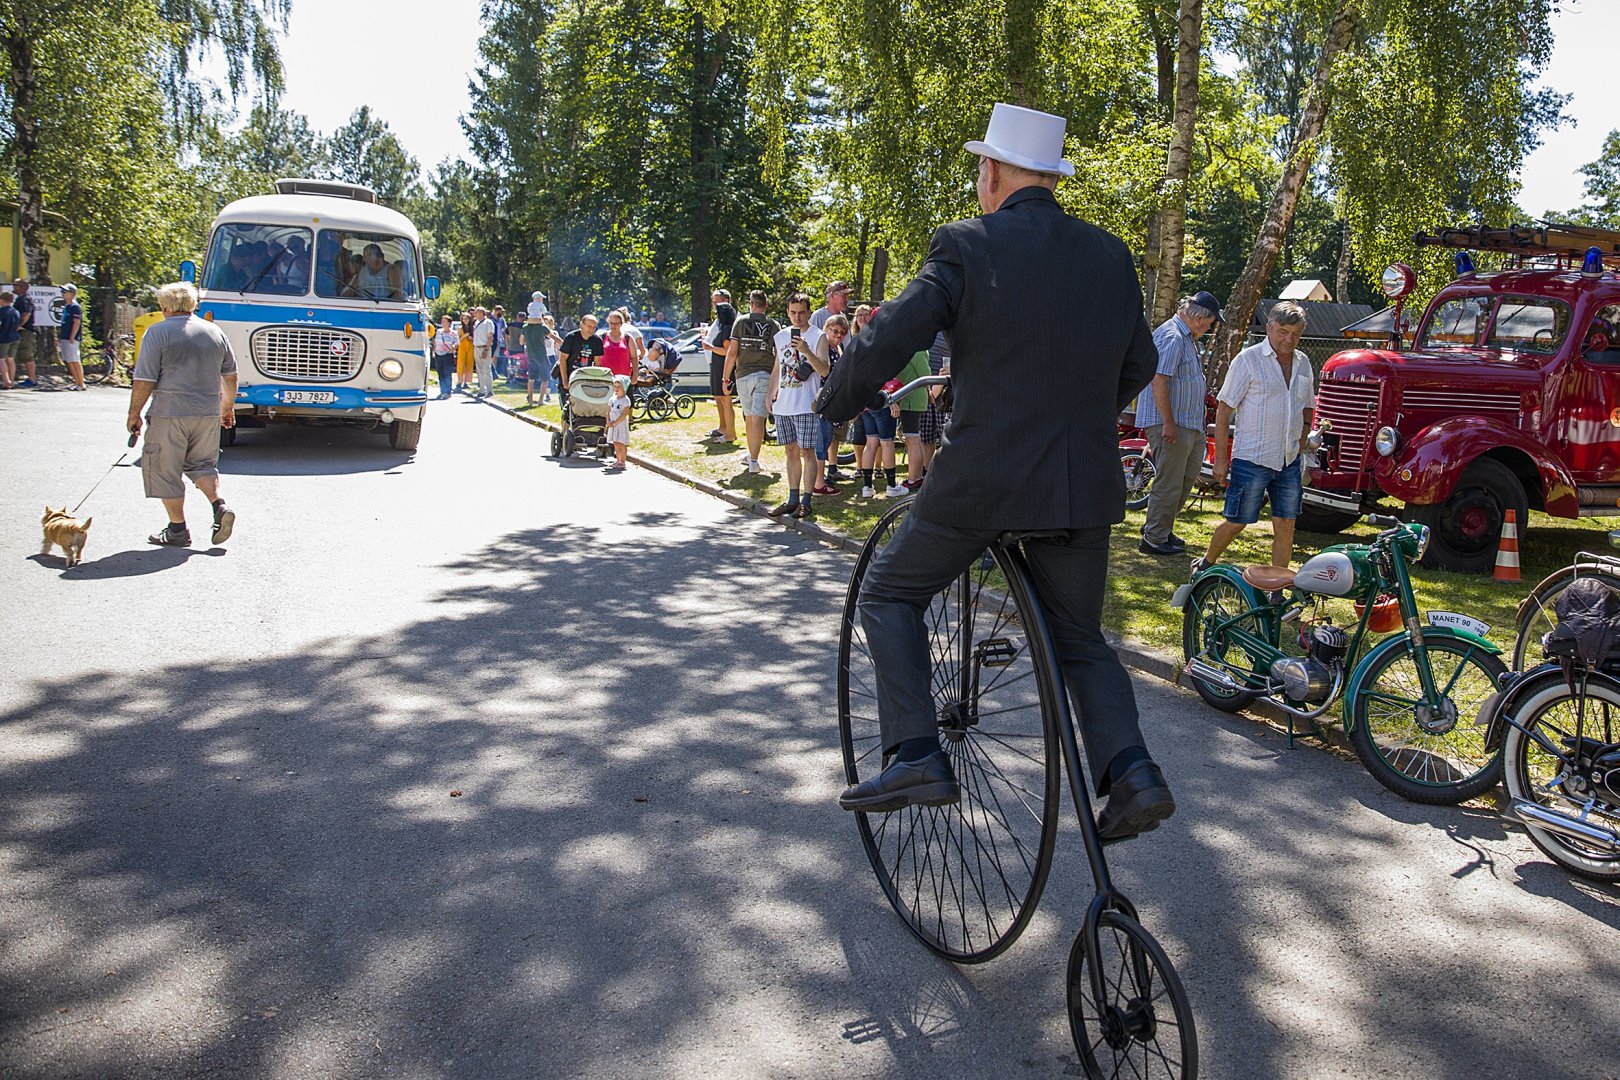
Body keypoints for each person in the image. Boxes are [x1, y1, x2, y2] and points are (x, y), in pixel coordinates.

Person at [816, 102, 1168, 840]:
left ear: (993, 172)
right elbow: (1140, 360)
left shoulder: (966, 244)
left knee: (889, 591)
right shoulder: (1109, 255)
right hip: (1078, 484)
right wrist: (1074, 420)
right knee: (1080, 638)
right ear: (1050, 176)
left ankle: (916, 753)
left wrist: (838, 400)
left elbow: (891, 332)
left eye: (981, 168)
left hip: (983, 479)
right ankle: (1133, 774)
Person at [1198, 300, 1315, 572]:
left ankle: (1278, 587)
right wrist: (1220, 460)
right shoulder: (1248, 360)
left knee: (1286, 524)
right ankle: (1205, 563)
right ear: (1270, 328)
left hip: (1288, 459)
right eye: (1283, 332)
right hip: (1252, 458)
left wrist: (1304, 434)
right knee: (1237, 521)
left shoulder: (1303, 362)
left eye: (1295, 334)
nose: (1289, 339)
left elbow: (1308, 405)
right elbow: (1224, 411)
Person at [126, 281, 238, 548]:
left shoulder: (157, 332)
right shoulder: (214, 332)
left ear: (164, 306)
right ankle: (219, 506)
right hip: (207, 413)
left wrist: (134, 413)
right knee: (203, 466)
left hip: (170, 413)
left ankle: (177, 530)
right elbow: (231, 376)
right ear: (192, 305)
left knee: (165, 470)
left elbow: (144, 379)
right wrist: (227, 407)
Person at [1136, 292, 1222, 556]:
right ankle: (1153, 538)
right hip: (1172, 424)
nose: (1208, 328)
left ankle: (1160, 527)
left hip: (1189, 423)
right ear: (1199, 318)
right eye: (1209, 323)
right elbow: (1159, 380)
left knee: (1185, 479)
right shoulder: (1173, 336)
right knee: (1170, 482)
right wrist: (1168, 422)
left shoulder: (1186, 338)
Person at [766, 292, 829, 518]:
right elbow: (777, 367)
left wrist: (806, 350)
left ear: (809, 312)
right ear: (787, 312)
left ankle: (806, 500)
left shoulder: (818, 336)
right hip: (784, 403)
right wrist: (770, 393)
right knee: (790, 451)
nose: (797, 317)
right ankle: (792, 499)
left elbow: (825, 370)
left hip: (805, 404)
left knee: (807, 451)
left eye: (802, 312)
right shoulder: (781, 336)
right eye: (793, 312)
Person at [726, 290, 780, 476]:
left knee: (749, 417)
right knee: (758, 418)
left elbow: (732, 353)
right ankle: (753, 459)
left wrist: (725, 378)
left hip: (743, 375)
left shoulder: (740, 322)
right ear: (766, 305)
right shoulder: (773, 325)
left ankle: (752, 457)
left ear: (751, 303)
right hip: (765, 374)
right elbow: (778, 354)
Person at [820, 314, 854, 484]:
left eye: (842, 333)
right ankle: (820, 477)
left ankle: (832, 468)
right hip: (825, 398)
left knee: (835, 436)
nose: (839, 335)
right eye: (835, 331)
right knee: (824, 438)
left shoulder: (839, 348)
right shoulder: (823, 347)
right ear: (827, 329)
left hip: (837, 398)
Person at [895, 348, 932, 487]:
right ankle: (917, 477)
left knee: (912, 440)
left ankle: (913, 479)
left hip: (912, 399)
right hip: (911, 398)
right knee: (915, 439)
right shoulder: (915, 349)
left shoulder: (917, 350)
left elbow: (925, 374)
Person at [703, 290, 736, 443]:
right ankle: (725, 429)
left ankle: (730, 433)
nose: (715, 308)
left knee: (726, 400)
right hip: (716, 364)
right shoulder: (721, 326)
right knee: (721, 399)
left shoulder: (727, 329)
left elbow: (727, 351)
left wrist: (710, 347)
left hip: (723, 366)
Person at [558, 313, 605, 404]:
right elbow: (562, 360)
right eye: (589, 326)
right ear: (582, 325)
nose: (591, 329)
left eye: (594, 327)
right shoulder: (571, 338)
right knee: (568, 406)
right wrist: (565, 382)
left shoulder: (597, 341)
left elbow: (597, 363)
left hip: (586, 378)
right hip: (569, 376)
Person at [523, 310, 556, 405]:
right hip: (542, 355)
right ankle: (538, 399)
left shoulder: (527, 328)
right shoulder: (541, 329)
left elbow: (555, 345)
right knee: (544, 378)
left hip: (548, 355)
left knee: (545, 378)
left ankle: (545, 396)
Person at [57, 283, 85, 390]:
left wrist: (72, 336)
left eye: (65, 291)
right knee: (69, 360)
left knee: (75, 360)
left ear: (72, 294)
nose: (63, 293)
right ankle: (76, 382)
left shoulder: (75, 307)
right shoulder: (67, 306)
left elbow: (76, 322)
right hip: (65, 336)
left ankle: (81, 383)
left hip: (72, 338)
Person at [604, 374, 632, 472]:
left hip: (620, 424)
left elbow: (624, 414)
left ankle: (623, 461)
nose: (616, 389)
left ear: (624, 388)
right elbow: (608, 411)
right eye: (615, 386)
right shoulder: (612, 399)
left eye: (619, 386)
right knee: (615, 442)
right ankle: (618, 459)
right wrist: (608, 421)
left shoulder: (625, 400)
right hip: (613, 423)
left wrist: (616, 422)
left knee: (622, 442)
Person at [13, 278, 36, 387]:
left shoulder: (24, 300)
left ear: (22, 287)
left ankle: (32, 379)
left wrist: (19, 325)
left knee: (27, 355)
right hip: (23, 331)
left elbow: (26, 314)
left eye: (16, 285)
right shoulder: (20, 299)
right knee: (19, 355)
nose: (14, 287)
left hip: (26, 331)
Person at [600, 310, 636, 380]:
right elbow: (597, 358)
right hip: (605, 378)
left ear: (621, 324)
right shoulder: (602, 337)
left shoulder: (628, 338)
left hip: (624, 379)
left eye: (616, 323)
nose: (613, 326)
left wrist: (635, 375)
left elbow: (634, 357)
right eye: (611, 323)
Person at [472, 306, 496, 396]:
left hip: (484, 347)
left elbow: (490, 337)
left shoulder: (488, 322)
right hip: (476, 347)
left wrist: (486, 349)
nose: (475, 314)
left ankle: (489, 390)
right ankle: (482, 390)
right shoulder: (476, 322)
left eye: (477, 312)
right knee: (479, 370)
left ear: (482, 313)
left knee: (486, 369)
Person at [432, 315, 458, 398]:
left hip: (447, 354)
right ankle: (442, 391)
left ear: (449, 323)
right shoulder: (439, 331)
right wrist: (434, 350)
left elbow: (457, 343)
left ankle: (447, 392)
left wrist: (452, 348)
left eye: (444, 321)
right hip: (438, 354)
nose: (442, 323)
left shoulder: (453, 333)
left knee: (447, 373)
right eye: (442, 321)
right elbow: (435, 341)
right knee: (440, 373)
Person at [0, 290, 19, 389]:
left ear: (2, 300)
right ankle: (12, 381)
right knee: (11, 359)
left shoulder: (2, 311)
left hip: (4, 337)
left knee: (1, 359)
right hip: (15, 337)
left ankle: (6, 381)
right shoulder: (16, 311)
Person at [491, 305, 509, 377]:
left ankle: (493, 372)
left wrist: (506, 343)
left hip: (497, 341)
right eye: (500, 312)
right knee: (489, 357)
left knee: (495, 357)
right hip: (490, 340)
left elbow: (505, 331)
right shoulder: (490, 318)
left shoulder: (502, 320)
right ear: (496, 311)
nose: (501, 313)